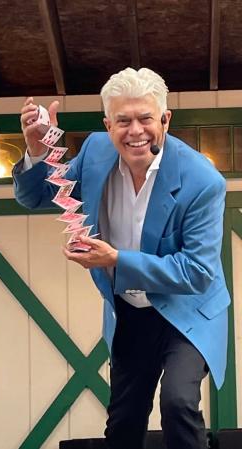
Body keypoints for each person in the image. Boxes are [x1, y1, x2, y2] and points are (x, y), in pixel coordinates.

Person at [13, 67, 230, 449]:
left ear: (165, 119)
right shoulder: (96, 152)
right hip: (130, 309)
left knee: (178, 403)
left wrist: (116, 259)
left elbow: (197, 273)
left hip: (188, 310)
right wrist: (35, 150)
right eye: (123, 120)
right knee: (124, 420)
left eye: (146, 118)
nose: (135, 132)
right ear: (107, 123)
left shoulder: (202, 181)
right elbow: (37, 197)